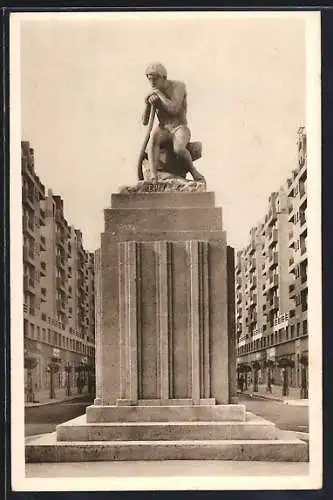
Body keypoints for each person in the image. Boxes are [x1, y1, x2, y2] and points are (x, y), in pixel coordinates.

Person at [143, 62, 205, 182]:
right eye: (150, 79)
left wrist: (159, 94)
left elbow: (174, 109)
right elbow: (145, 122)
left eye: (155, 79)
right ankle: (153, 176)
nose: (152, 82)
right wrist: (147, 103)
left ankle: (193, 171)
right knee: (152, 141)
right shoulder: (153, 92)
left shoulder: (178, 86)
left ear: (164, 78)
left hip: (179, 127)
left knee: (179, 149)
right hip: (163, 128)